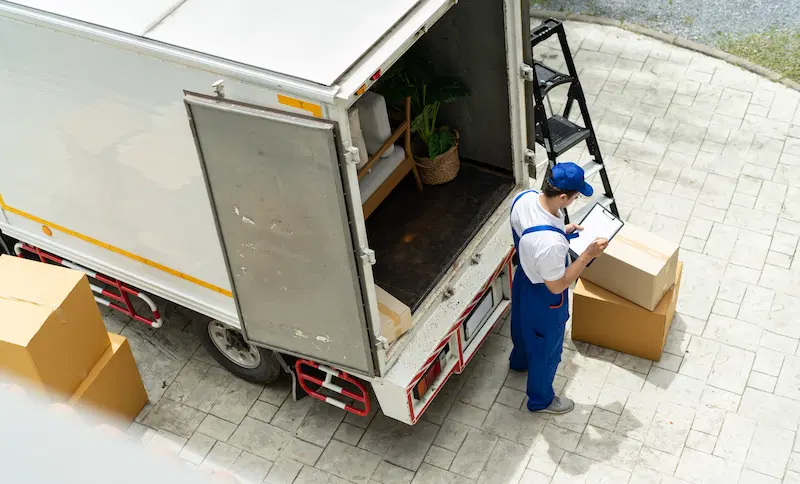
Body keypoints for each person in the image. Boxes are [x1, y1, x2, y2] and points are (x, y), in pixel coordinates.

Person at [509, 162, 608, 414]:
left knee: (522, 326)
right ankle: (541, 400)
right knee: (546, 349)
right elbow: (558, 285)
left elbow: (532, 239)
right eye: (575, 197)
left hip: (524, 278)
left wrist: (563, 231)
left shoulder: (525, 198)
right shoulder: (551, 245)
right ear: (563, 197)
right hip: (545, 296)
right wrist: (586, 255)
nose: (575, 200)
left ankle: (519, 362)